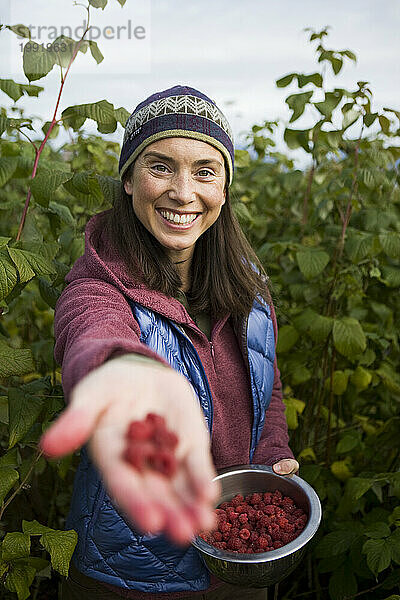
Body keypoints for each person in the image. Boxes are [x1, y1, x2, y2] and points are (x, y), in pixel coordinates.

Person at [39, 85, 299, 600]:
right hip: (134, 569)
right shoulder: (97, 285)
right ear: (129, 180)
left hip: (236, 560)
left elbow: (265, 386)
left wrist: (271, 453)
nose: (184, 192)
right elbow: (93, 337)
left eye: (205, 171)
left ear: (224, 189)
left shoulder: (246, 283)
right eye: (160, 167)